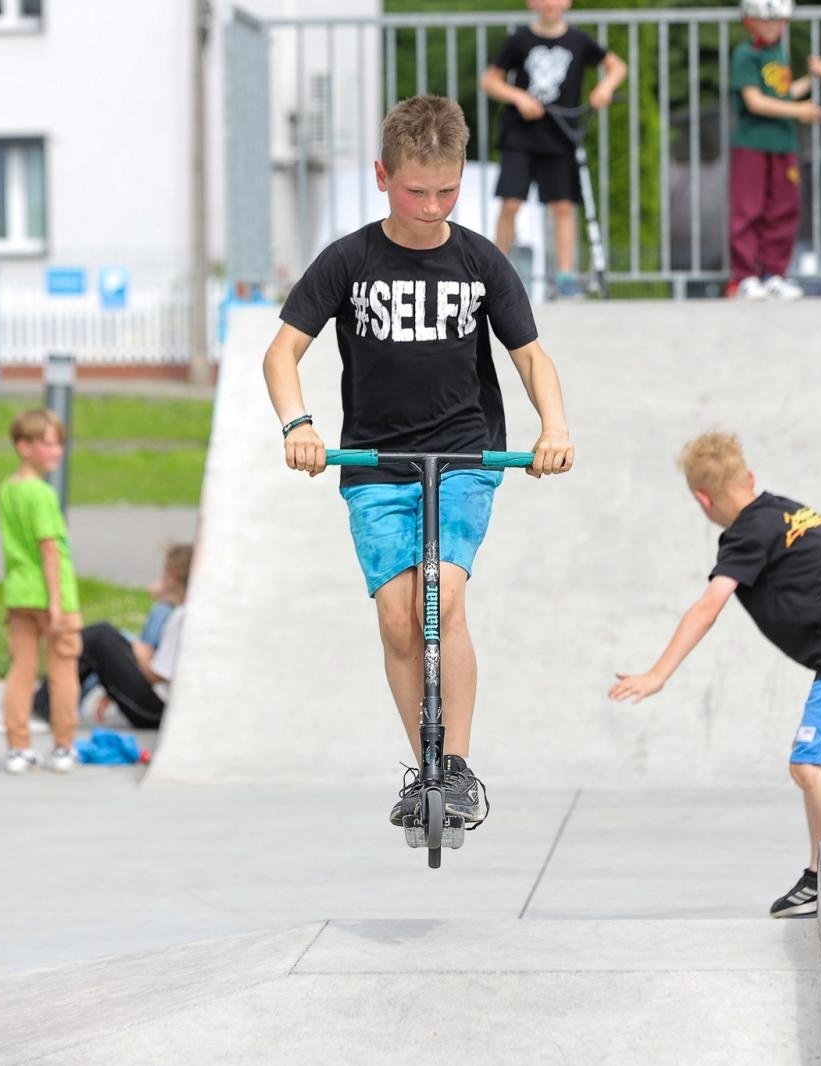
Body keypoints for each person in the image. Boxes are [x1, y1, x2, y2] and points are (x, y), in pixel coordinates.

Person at [264, 94, 575, 832]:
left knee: (442, 595)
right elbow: (282, 354)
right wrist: (299, 424)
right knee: (398, 620)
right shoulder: (349, 260)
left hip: (464, 454)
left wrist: (554, 427)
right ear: (382, 176)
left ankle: (457, 770)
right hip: (375, 463)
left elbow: (531, 357)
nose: (432, 208)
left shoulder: (479, 261)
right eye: (415, 192)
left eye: (447, 191)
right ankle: (426, 769)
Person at [608, 432, 821, 918]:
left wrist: (658, 674)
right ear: (750, 478)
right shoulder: (785, 509)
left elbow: (708, 606)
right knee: (812, 761)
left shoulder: (742, 537)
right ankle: (819, 877)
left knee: (807, 767)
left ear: (703, 499)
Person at [481, 0, 626, 298]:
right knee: (511, 203)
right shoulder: (519, 39)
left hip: (560, 135)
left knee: (562, 206)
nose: (550, 3)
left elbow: (617, 67)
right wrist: (519, 97)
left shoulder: (579, 40)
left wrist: (604, 88)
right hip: (520, 134)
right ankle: (496, 274)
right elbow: (491, 80)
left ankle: (564, 276)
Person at [0, 407, 82, 775]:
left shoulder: (8, 489)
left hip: (19, 593)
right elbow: (50, 550)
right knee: (62, 671)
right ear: (24, 446)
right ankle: (63, 746)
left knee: (22, 670)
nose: (57, 451)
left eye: (59, 443)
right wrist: (57, 604)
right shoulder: (42, 494)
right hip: (52, 595)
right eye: (48, 443)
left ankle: (18, 747)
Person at [32, 543, 192, 730]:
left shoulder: (181, 616)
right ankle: (57, 702)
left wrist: (139, 655)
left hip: (155, 709)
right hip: (158, 704)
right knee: (103, 637)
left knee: (98, 637)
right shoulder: (186, 613)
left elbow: (158, 675)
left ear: (172, 577)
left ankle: (44, 705)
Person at [728, 0, 821, 301]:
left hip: (783, 143)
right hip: (752, 142)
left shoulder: (778, 54)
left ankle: (774, 274)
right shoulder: (745, 54)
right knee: (748, 209)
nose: (773, 27)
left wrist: (811, 79)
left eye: (778, 21)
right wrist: (799, 111)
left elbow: (782, 93)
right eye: (766, 20)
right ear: (751, 21)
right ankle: (745, 276)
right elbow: (755, 101)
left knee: (784, 208)